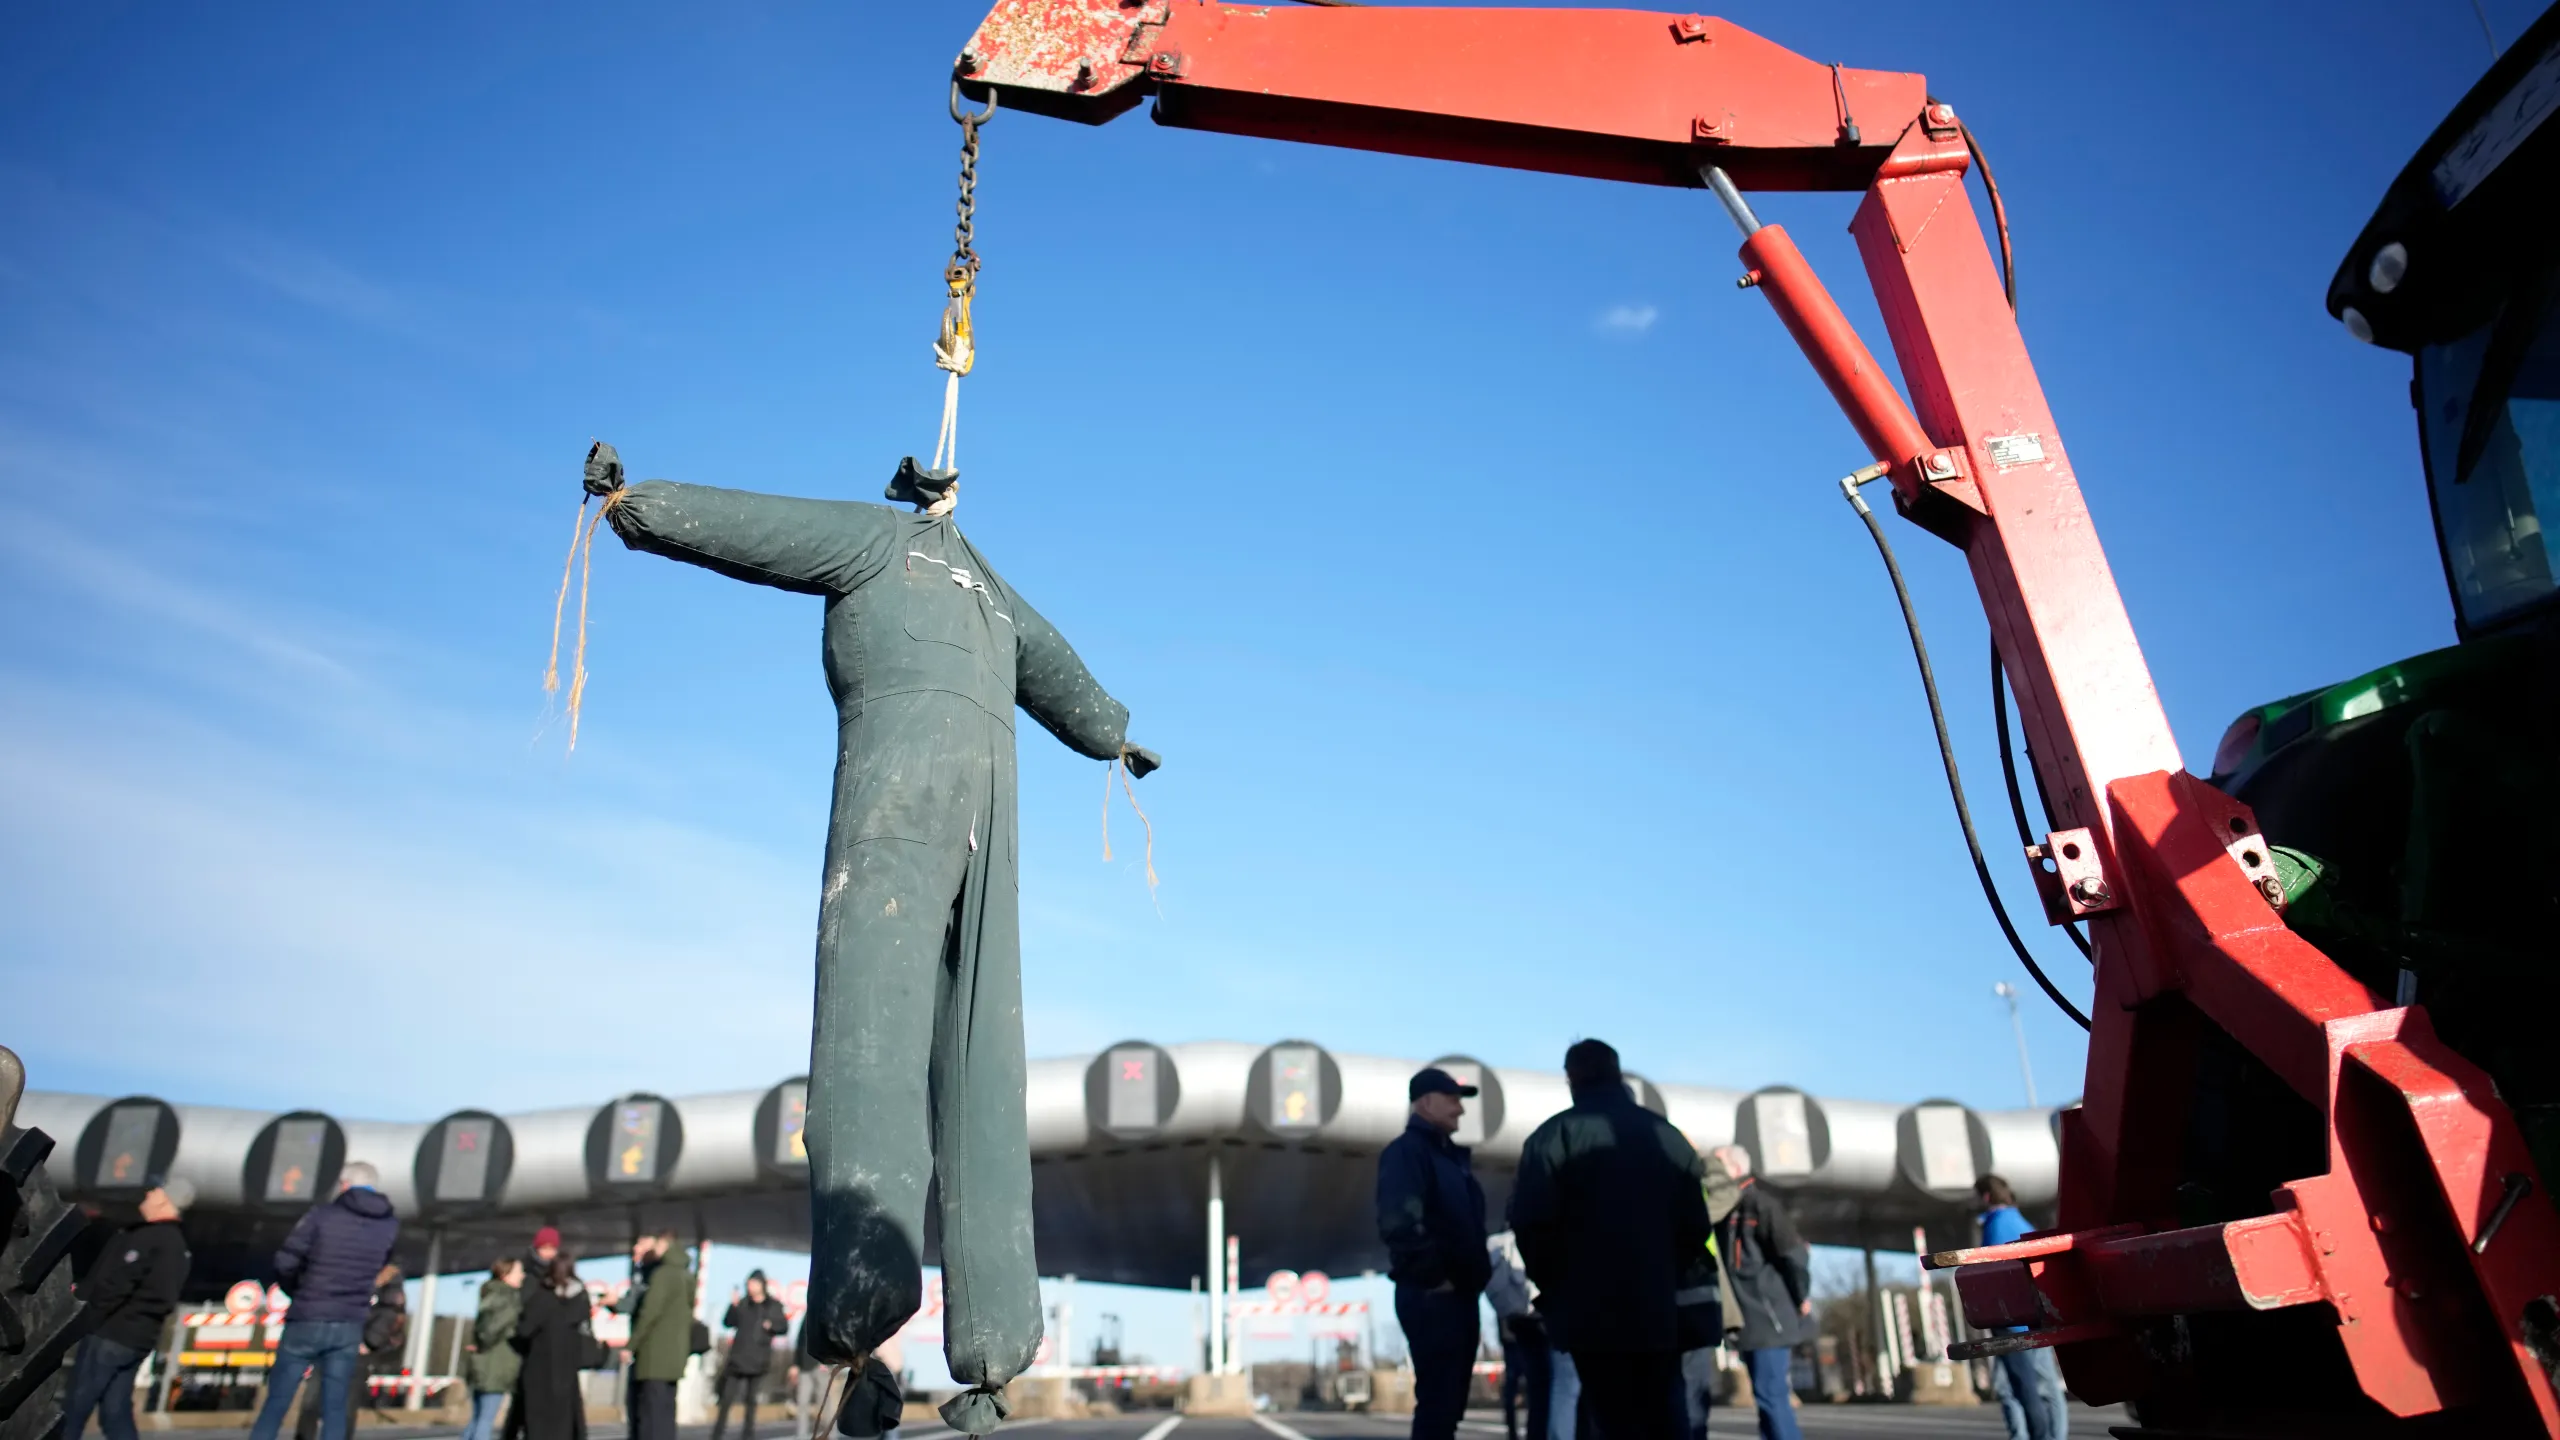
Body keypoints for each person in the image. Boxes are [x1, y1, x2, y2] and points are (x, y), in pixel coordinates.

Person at [584, 443, 1156, 1435]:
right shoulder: (872, 540)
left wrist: (1111, 732)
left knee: (981, 1074)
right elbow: (757, 528)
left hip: (983, 823)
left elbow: (1058, 670)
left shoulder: (992, 593)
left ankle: (983, 1361)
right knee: (873, 1056)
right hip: (902, 804)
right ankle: (864, 1333)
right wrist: (640, 505)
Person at [1509, 1041, 1711, 1440]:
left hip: (1589, 1311)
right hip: (1659, 1307)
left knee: (1611, 1418)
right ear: (1619, 1074)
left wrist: (1556, 1288)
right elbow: (1696, 1226)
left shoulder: (1551, 1138)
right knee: (1668, 1414)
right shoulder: (1668, 1137)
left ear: (1571, 1078)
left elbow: (1531, 1225)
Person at [1375, 1066, 1491, 1440]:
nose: (1460, 1109)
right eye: (1453, 1100)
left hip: (1456, 1296)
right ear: (1425, 1102)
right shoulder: (1407, 1153)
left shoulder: (1450, 1159)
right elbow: (1400, 1224)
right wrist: (1437, 1278)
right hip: (1434, 1297)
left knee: (1448, 1407)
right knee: (1438, 1406)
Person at [247, 1162, 400, 1440]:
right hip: (349, 1321)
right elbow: (382, 1267)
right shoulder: (388, 1225)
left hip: (308, 1314)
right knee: (335, 1406)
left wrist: (297, 1290)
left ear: (344, 1184)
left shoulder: (322, 1216)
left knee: (277, 1402)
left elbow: (286, 1260)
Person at [61, 1177, 195, 1440]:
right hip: (139, 1339)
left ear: (165, 1200)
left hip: (111, 1333)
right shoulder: (177, 1245)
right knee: (115, 1412)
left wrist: (87, 1319)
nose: (146, 1196)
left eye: (153, 1192)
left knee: (74, 1409)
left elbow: (116, 1285)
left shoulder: (148, 1238)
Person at [1708, 1147, 1810, 1440]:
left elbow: (1793, 1255)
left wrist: (1800, 1296)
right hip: (1748, 1321)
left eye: (1719, 1163)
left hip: (1769, 1318)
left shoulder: (1761, 1206)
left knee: (1771, 1395)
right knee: (1766, 1398)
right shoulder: (1725, 1210)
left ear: (1737, 1169)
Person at [1976, 1175, 2065, 1440]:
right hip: (2032, 1316)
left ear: (1986, 1196)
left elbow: (1992, 1271)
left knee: (2026, 1388)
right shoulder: (2017, 1221)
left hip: (2013, 1321)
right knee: (2030, 1386)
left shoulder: (1997, 1226)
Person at [1679, 1163, 1742, 1440]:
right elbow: (1728, 1192)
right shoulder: (1688, 1200)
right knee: (1692, 1400)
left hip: (1653, 1309)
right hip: (1693, 1306)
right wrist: (1705, 1158)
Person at [512, 1256, 593, 1440]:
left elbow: (524, 1330)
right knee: (564, 1424)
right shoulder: (580, 1298)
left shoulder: (542, 1296)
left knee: (538, 1424)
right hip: (567, 1370)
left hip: (539, 1369)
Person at [625, 1231, 696, 1440]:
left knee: (649, 1417)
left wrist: (631, 1345)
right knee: (666, 1414)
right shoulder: (687, 1276)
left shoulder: (663, 1274)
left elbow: (650, 1312)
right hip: (675, 1357)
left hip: (654, 1357)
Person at [713, 1270, 790, 1440]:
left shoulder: (773, 1306)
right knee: (726, 1400)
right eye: (748, 1284)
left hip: (758, 1359)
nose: (750, 1287)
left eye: (753, 1283)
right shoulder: (742, 1303)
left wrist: (772, 1326)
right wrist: (732, 1306)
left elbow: (784, 1327)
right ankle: (716, 1435)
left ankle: (747, 1436)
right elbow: (728, 1323)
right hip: (737, 1358)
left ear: (762, 1284)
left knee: (751, 1401)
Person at [1486, 1235, 1547, 1440]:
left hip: (1514, 1330)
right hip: (1532, 1323)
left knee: (1530, 1387)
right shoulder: (1515, 1248)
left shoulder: (1496, 1251)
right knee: (1550, 1387)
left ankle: (1518, 1432)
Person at [461, 1257, 525, 1440]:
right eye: (518, 1271)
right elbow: (492, 1329)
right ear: (505, 1274)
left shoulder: (490, 1293)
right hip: (496, 1364)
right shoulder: (509, 1298)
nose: (522, 1275)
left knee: (476, 1418)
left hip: (481, 1363)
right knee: (485, 1420)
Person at [787, 1314, 829, 1440]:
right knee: (802, 1403)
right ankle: (801, 1436)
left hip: (821, 1365)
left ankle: (829, 1434)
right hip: (804, 1366)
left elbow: (832, 1338)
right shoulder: (807, 1316)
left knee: (824, 1403)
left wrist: (828, 1360)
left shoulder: (829, 1312)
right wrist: (795, 1364)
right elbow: (800, 1341)